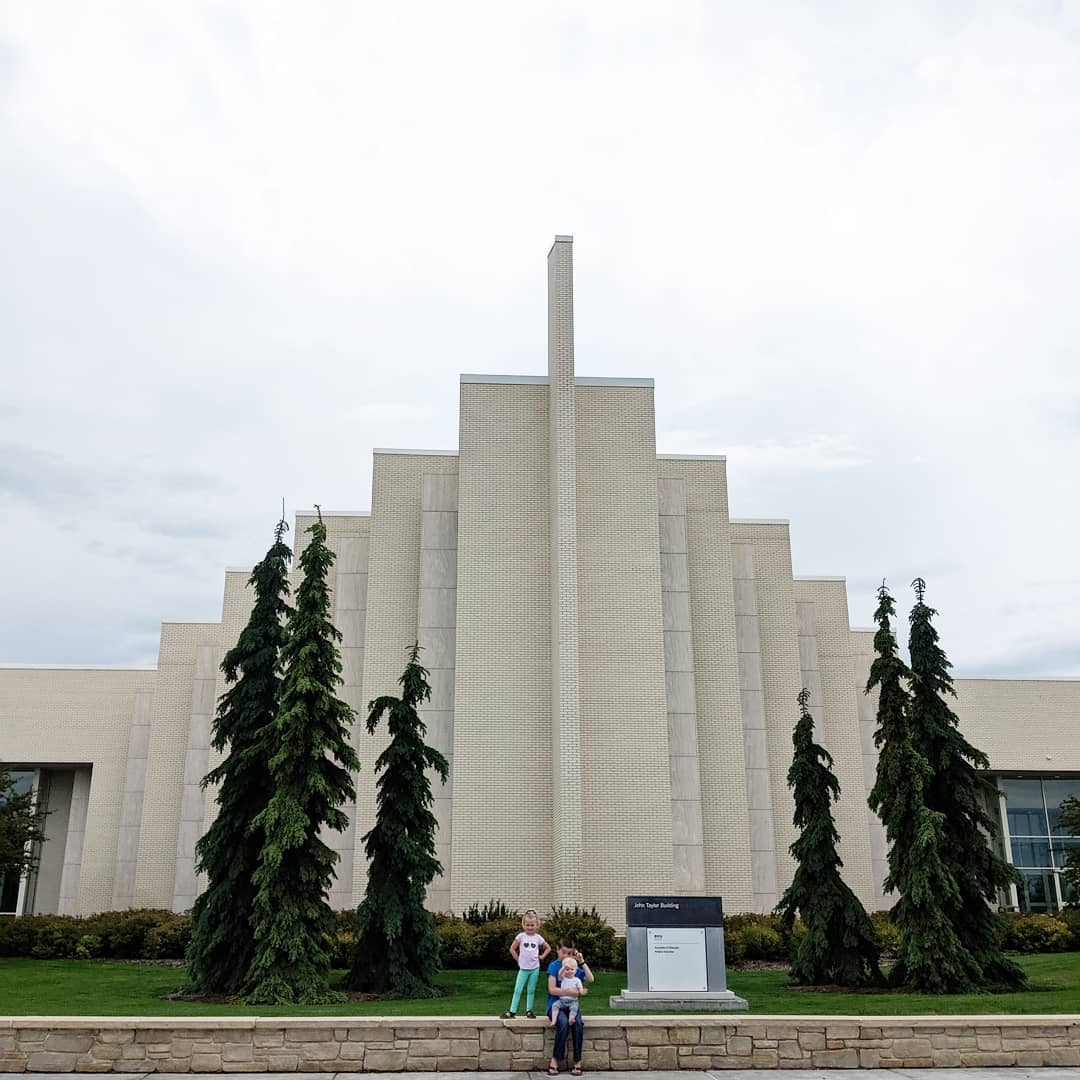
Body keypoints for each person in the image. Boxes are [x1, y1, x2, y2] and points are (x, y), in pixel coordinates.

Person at [546, 939, 594, 1075]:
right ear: (557, 950)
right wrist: (572, 992)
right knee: (563, 1023)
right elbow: (552, 989)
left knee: (578, 1023)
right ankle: (555, 1060)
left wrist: (581, 961)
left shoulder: (574, 967)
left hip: (572, 1005)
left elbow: (590, 979)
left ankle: (577, 1061)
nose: (566, 956)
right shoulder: (554, 966)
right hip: (556, 1005)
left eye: (569, 953)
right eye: (563, 952)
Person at [501, 909, 550, 1019]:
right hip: (523, 968)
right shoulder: (521, 936)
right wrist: (518, 960)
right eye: (527, 925)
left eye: (532, 925)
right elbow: (512, 949)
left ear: (536, 925)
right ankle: (512, 1011)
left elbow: (548, 948)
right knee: (518, 989)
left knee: (531, 989)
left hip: (535, 968)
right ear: (524, 925)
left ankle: (529, 1010)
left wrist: (542, 956)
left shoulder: (538, 938)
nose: (530, 927)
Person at [548, 955, 584, 1026]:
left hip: (572, 1001)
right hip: (562, 1001)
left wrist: (581, 991)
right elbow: (559, 973)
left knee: (574, 1008)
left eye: (572, 969)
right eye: (567, 969)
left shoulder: (577, 980)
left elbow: (580, 988)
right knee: (555, 1005)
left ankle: (571, 1018)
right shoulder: (563, 978)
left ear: (576, 970)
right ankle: (554, 1020)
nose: (569, 971)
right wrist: (564, 968)